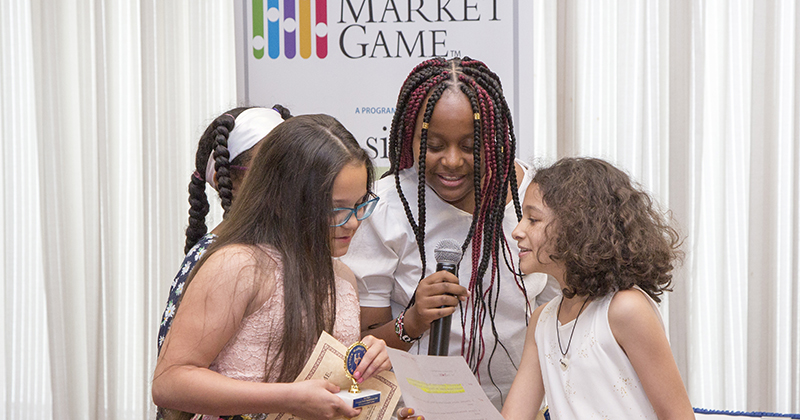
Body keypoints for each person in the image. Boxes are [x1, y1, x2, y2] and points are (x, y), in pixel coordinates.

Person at [341, 56, 559, 408]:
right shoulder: (384, 208)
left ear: (496, 139)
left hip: (518, 408)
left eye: (472, 146)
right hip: (414, 409)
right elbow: (360, 345)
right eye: (435, 145)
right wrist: (412, 320)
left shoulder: (535, 203)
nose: (453, 161)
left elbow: (560, 317)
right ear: (408, 138)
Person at [152, 114, 390, 420]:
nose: (354, 222)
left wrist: (367, 361)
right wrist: (289, 398)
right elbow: (170, 383)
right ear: (280, 200)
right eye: (334, 209)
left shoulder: (342, 277)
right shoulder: (238, 266)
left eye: (360, 205)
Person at [501, 157, 694, 419]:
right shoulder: (541, 322)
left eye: (532, 219)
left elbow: (678, 416)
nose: (517, 231)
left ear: (577, 228)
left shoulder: (625, 309)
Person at [157, 105, 291, 352]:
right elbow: (175, 379)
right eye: (269, 171)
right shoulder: (216, 260)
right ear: (225, 180)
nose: (288, 182)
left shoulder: (289, 248)